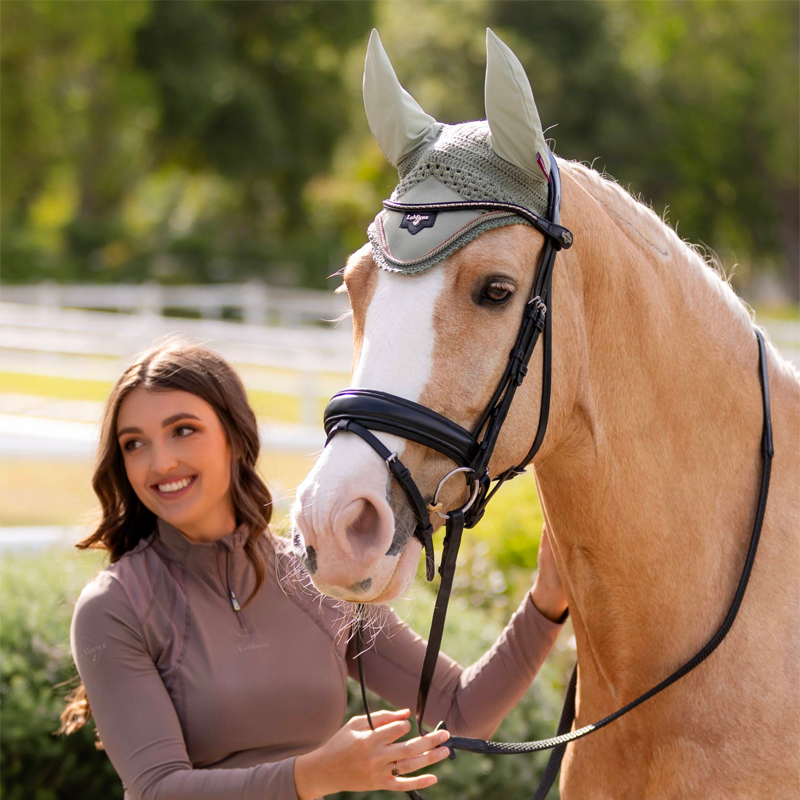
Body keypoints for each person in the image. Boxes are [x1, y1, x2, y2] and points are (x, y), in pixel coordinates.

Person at [59, 335, 568, 800]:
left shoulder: (311, 576)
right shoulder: (116, 605)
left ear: (234, 437)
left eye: (183, 431)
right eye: (135, 443)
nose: (160, 462)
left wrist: (547, 603)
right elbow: (156, 790)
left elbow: (459, 710)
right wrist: (313, 776)